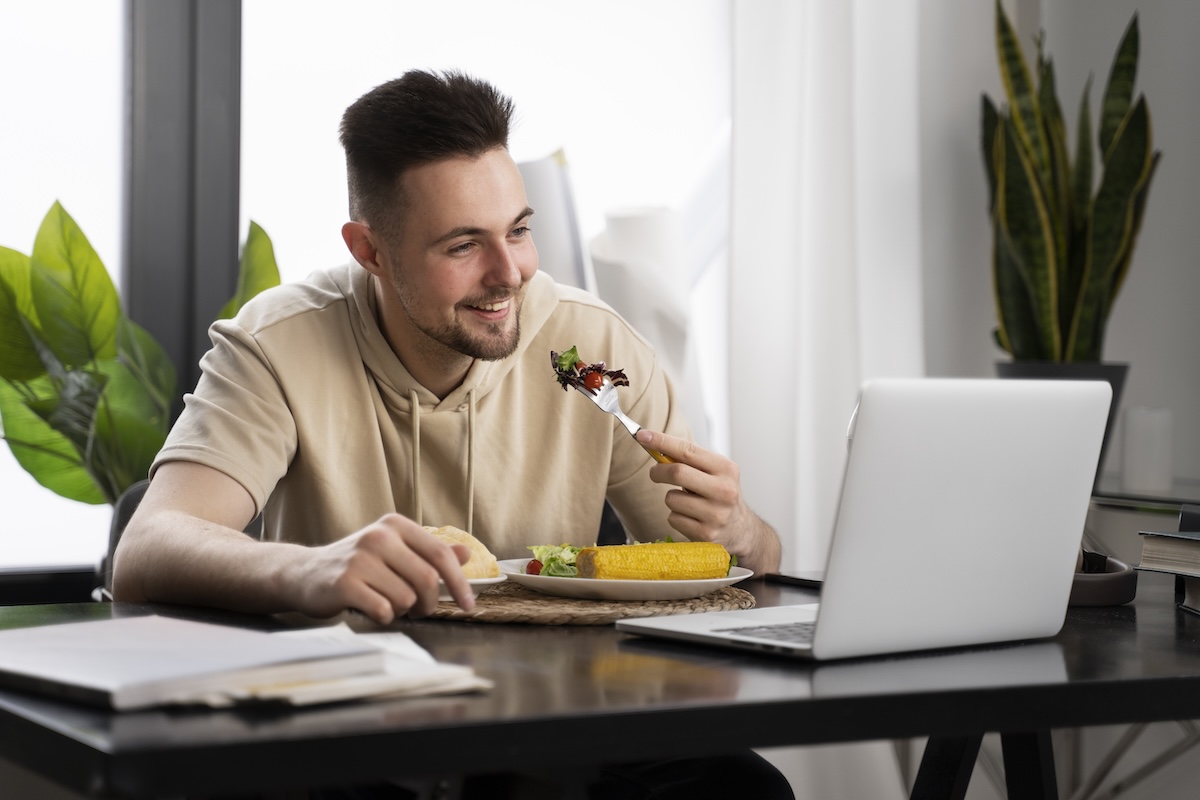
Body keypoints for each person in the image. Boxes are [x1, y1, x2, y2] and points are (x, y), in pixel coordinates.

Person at [114, 69, 790, 800]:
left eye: (520, 231)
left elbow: (724, 573)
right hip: (344, 739)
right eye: (464, 245)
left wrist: (746, 532)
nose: (511, 274)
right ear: (370, 250)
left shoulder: (596, 351)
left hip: (552, 733)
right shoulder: (277, 345)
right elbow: (150, 545)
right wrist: (308, 571)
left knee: (741, 787)